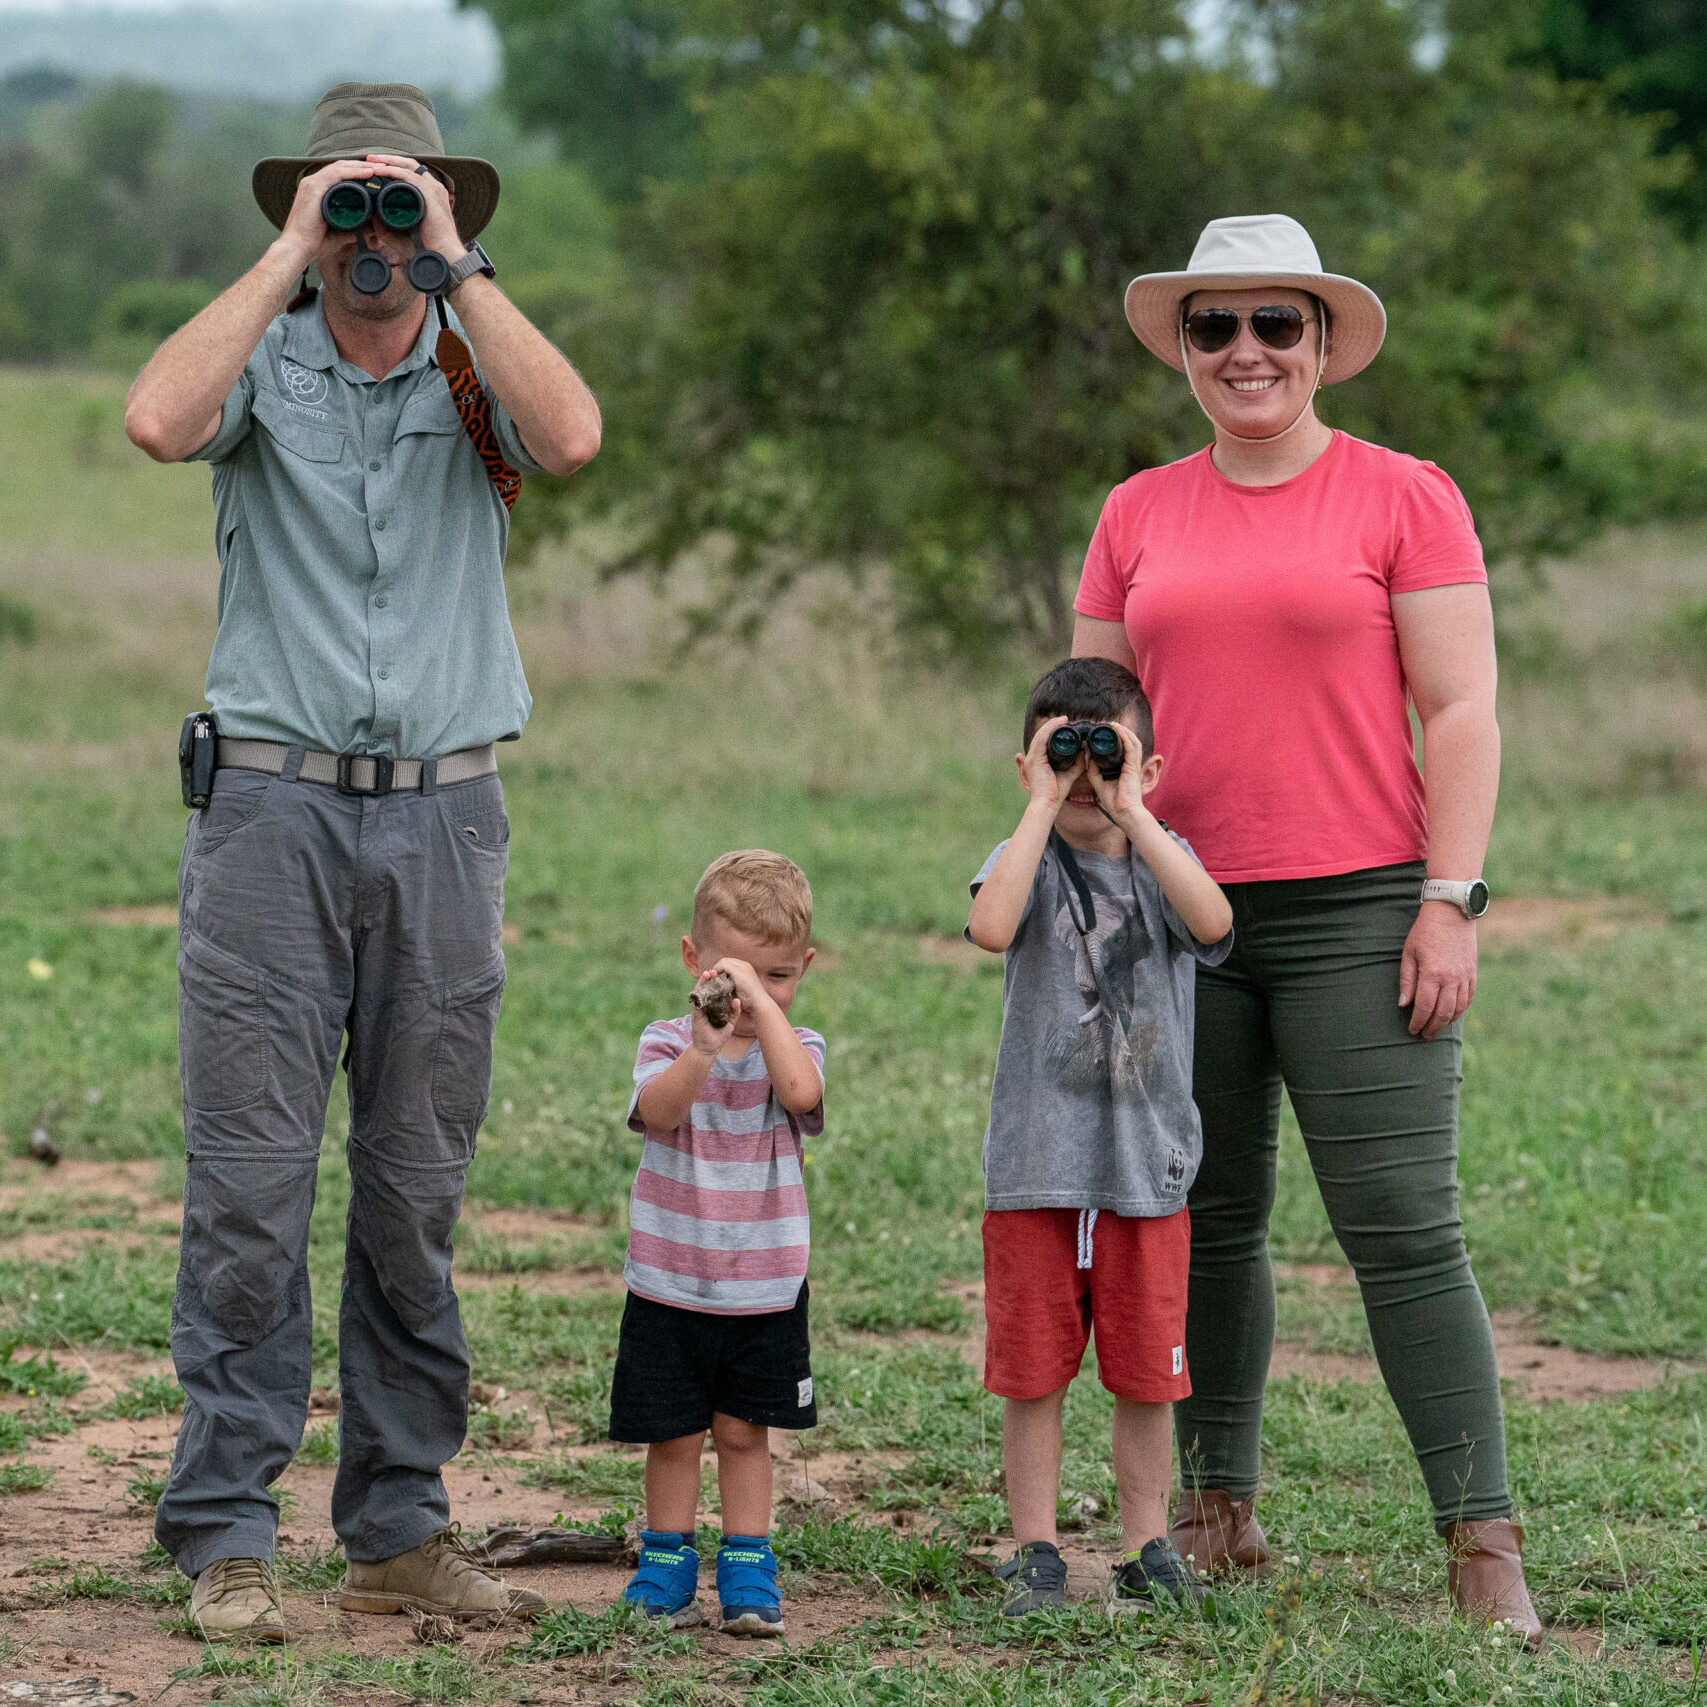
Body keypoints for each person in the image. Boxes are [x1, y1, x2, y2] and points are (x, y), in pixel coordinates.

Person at [123, 84, 601, 1642]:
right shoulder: (261, 358)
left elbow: (578, 437)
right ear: (310, 215)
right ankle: (224, 1527)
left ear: (447, 215)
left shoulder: (477, 366)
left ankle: (397, 1522)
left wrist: (460, 263)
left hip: (446, 813)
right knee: (250, 1185)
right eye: (355, 209)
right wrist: (285, 252)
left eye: (401, 207)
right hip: (270, 811)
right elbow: (154, 419)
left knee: (415, 1184)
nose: (375, 239)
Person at [1071, 213, 1543, 1643]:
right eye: (1212, 326)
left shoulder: (1404, 495)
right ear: (1183, 350)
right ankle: (1215, 1510)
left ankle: (1478, 1537)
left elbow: (1459, 709)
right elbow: (1086, 728)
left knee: (1401, 1228)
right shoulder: (1134, 509)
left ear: (1322, 342)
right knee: (1202, 1224)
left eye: (1275, 323)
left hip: (1360, 905)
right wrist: (1087, 895)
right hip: (1173, 915)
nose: (1244, 351)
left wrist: (1445, 899)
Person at [966, 657, 1233, 1613]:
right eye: (1063, 754)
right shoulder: (1023, 860)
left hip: (1143, 1170)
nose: (1086, 776)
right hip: (1038, 1166)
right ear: (1030, 763)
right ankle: (1033, 1545)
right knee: (1032, 1369)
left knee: (1145, 1373)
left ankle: (1145, 1543)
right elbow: (991, 925)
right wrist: (1040, 805)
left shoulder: (1166, 861)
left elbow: (1213, 917)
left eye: (1105, 751)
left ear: (1147, 766)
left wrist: (1134, 813)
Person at [610, 850, 826, 1638]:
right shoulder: (667, 1042)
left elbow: (802, 1093)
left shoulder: (793, 1048)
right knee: (673, 1431)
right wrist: (704, 1046)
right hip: (670, 1279)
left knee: (743, 1430)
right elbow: (660, 1112)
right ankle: (665, 1561)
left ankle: (747, 1561)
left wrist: (763, 1012)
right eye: (737, 976)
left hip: (764, 1285)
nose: (756, 995)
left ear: (802, 969)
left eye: (778, 976)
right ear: (692, 962)